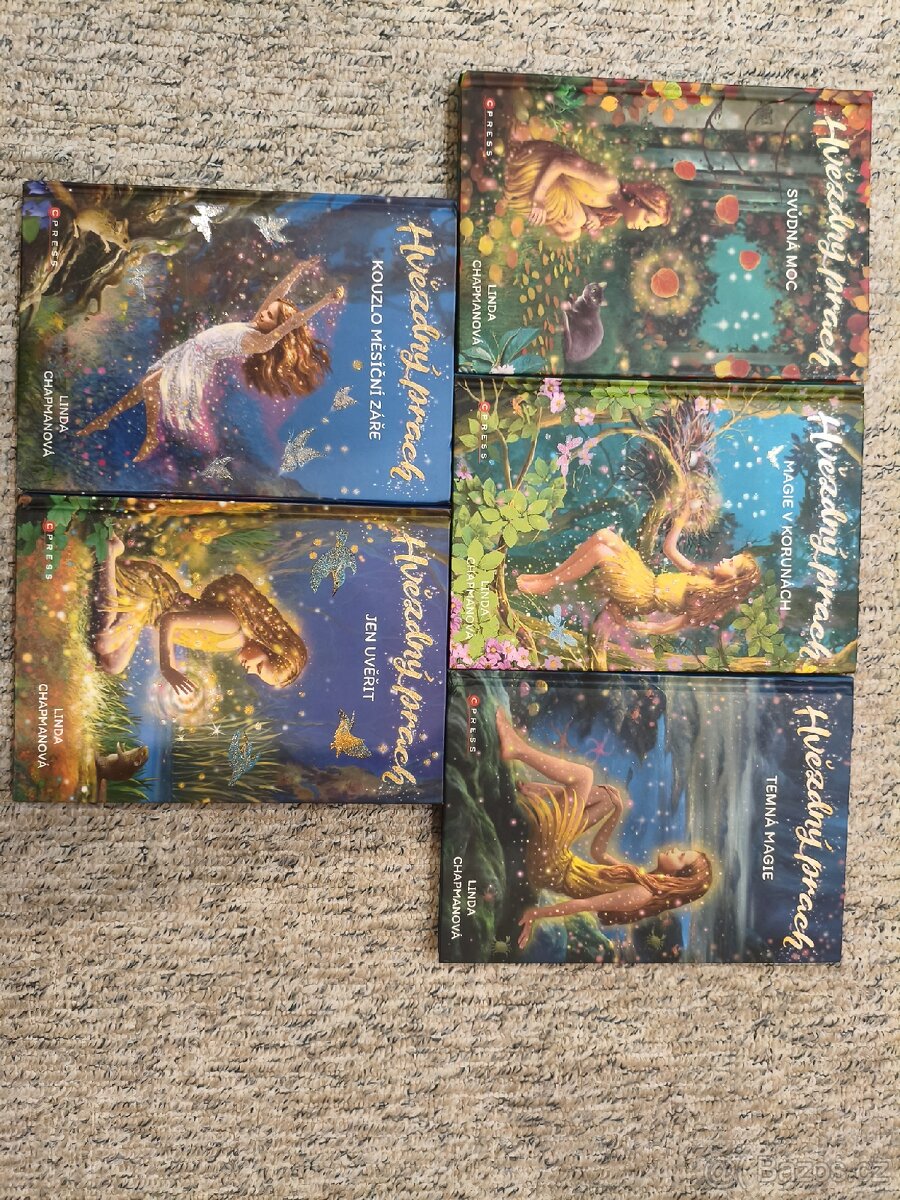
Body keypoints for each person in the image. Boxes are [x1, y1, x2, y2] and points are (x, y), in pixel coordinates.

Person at [78, 258, 344, 461]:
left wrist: (324, 301)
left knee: (150, 385)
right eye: (267, 311)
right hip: (188, 350)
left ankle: (150, 437)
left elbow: (293, 322)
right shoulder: (254, 324)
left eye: (270, 316)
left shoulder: (261, 341)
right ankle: (106, 418)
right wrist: (297, 271)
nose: (264, 313)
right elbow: (277, 294)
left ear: (275, 327)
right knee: (145, 385)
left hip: (196, 362)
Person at [495, 708, 712, 949]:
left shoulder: (641, 894)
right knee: (609, 797)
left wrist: (536, 914)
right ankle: (540, 790)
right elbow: (598, 852)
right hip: (558, 860)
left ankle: (516, 749)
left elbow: (584, 905)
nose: (675, 850)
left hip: (551, 867)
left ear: (675, 879)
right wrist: (616, 812)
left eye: (680, 857)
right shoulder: (640, 877)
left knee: (584, 777)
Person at [93, 534, 307, 693]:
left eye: (256, 674)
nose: (249, 670)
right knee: (103, 644)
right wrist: (168, 667)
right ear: (266, 644)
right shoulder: (230, 624)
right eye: (258, 666)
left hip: (148, 614)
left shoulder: (233, 644)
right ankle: (110, 553)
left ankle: (112, 561)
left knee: (113, 664)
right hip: (152, 591)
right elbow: (169, 619)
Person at [516, 525, 760, 637]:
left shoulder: (703, 602)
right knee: (603, 535)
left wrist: (627, 623)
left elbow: (663, 628)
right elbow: (669, 549)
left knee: (600, 552)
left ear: (733, 582)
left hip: (640, 595)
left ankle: (549, 582)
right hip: (644, 577)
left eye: (731, 564)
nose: (725, 560)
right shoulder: (701, 574)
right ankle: (548, 578)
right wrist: (682, 518)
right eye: (731, 558)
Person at [504, 134, 673, 242]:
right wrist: (539, 197)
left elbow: (574, 191)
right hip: (541, 165)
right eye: (646, 220)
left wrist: (589, 213)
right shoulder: (608, 183)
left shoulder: (611, 207)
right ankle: (525, 200)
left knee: (572, 233)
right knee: (577, 220)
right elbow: (559, 163)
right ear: (636, 202)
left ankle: (528, 213)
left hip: (557, 182)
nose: (642, 227)